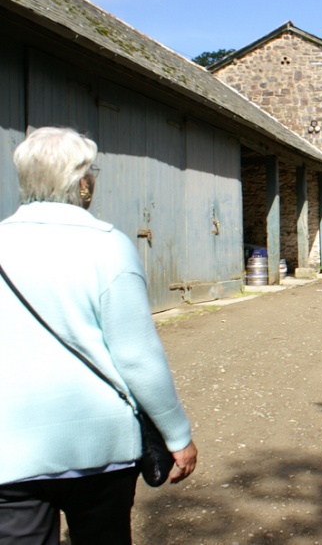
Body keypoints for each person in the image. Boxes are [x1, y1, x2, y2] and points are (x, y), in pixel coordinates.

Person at [0, 127, 198, 545]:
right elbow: (137, 356)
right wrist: (178, 435)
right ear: (82, 181)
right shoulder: (108, 247)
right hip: (100, 449)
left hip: (10, 450)